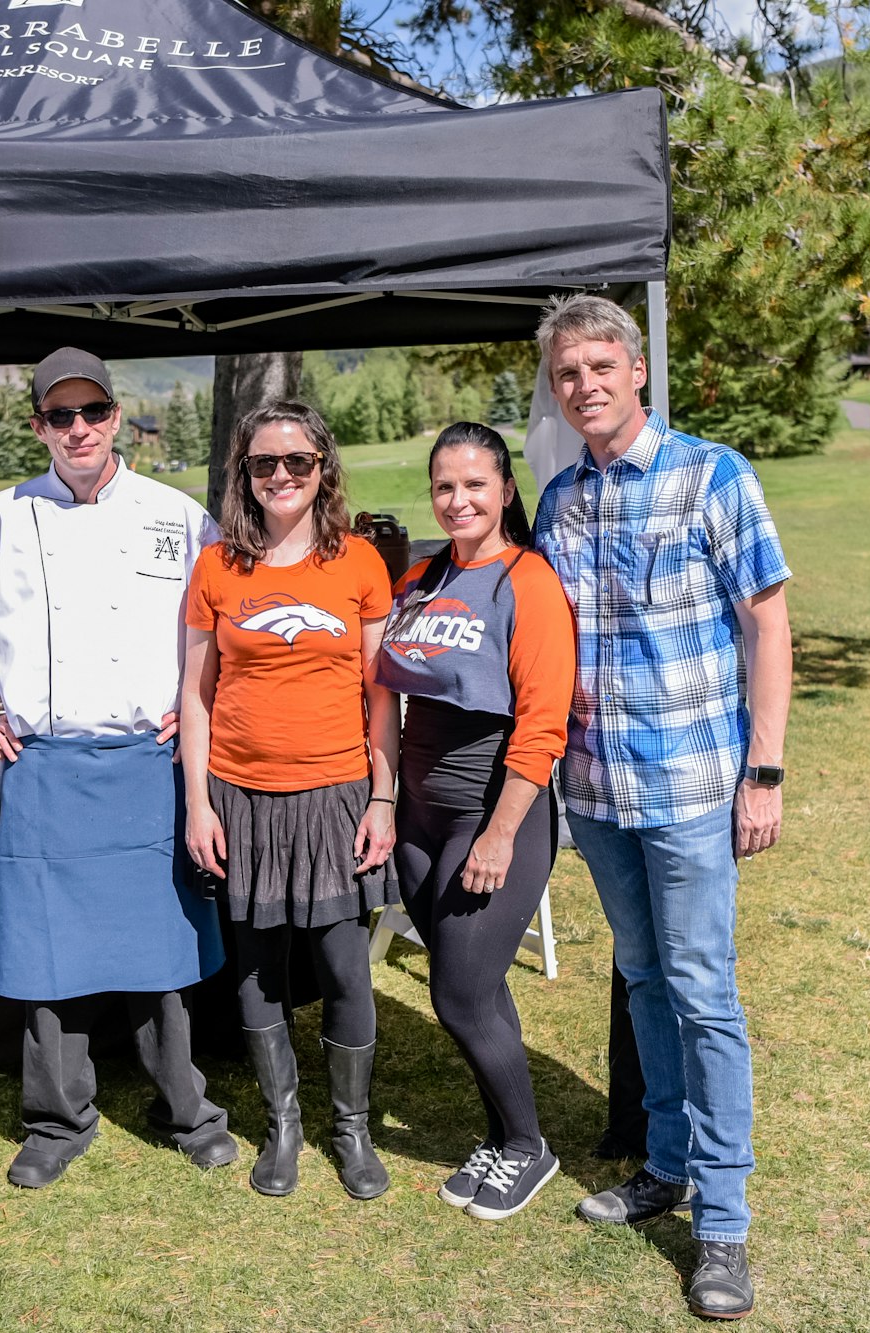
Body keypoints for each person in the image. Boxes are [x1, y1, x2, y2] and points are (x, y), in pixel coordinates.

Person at [531, 295, 793, 1322]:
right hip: (595, 791)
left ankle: (720, 1223)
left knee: (701, 991)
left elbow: (766, 627)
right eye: (566, 373)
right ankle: (667, 1164)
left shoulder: (712, 476)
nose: (585, 384)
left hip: (689, 789)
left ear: (636, 369)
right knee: (641, 977)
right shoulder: (558, 500)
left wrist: (761, 772)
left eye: (601, 365)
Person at [0, 348, 236, 1189]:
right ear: (39, 428)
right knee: (43, 954)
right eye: (60, 417)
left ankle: (185, 1106)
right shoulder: (0, 519)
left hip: (149, 761)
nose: (79, 429)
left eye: (92, 411)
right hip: (47, 768)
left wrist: (201, 696)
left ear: (116, 417)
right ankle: (58, 1118)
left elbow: (223, 620)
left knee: (163, 949)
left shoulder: (177, 516)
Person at [179, 401, 399, 1201]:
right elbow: (196, 694)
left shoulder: (361, 565)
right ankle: (284, 1123)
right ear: (245, 473)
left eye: (296, 462)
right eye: (263, 463)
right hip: (241, 797)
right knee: (258, 968)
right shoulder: (215, 570)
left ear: (322, 470)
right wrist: (199, 802)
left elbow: (383, 694)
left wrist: (383, 794)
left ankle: (352, 1126)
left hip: (337, 792)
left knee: (344, 966)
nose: (280, 476)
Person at [373, 422, 575, 1220]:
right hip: (420, 813)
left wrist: (498, 833)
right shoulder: (419, 579)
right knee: (478, 984)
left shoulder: (528, 581)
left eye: (475, 485)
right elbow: (381, 680)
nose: (458, 499)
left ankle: (528, 1146)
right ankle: (500, 1133)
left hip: (493, 812)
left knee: (456, 994)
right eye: (444, 487)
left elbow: (543, 724)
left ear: (505, 492)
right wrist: (387, 803)